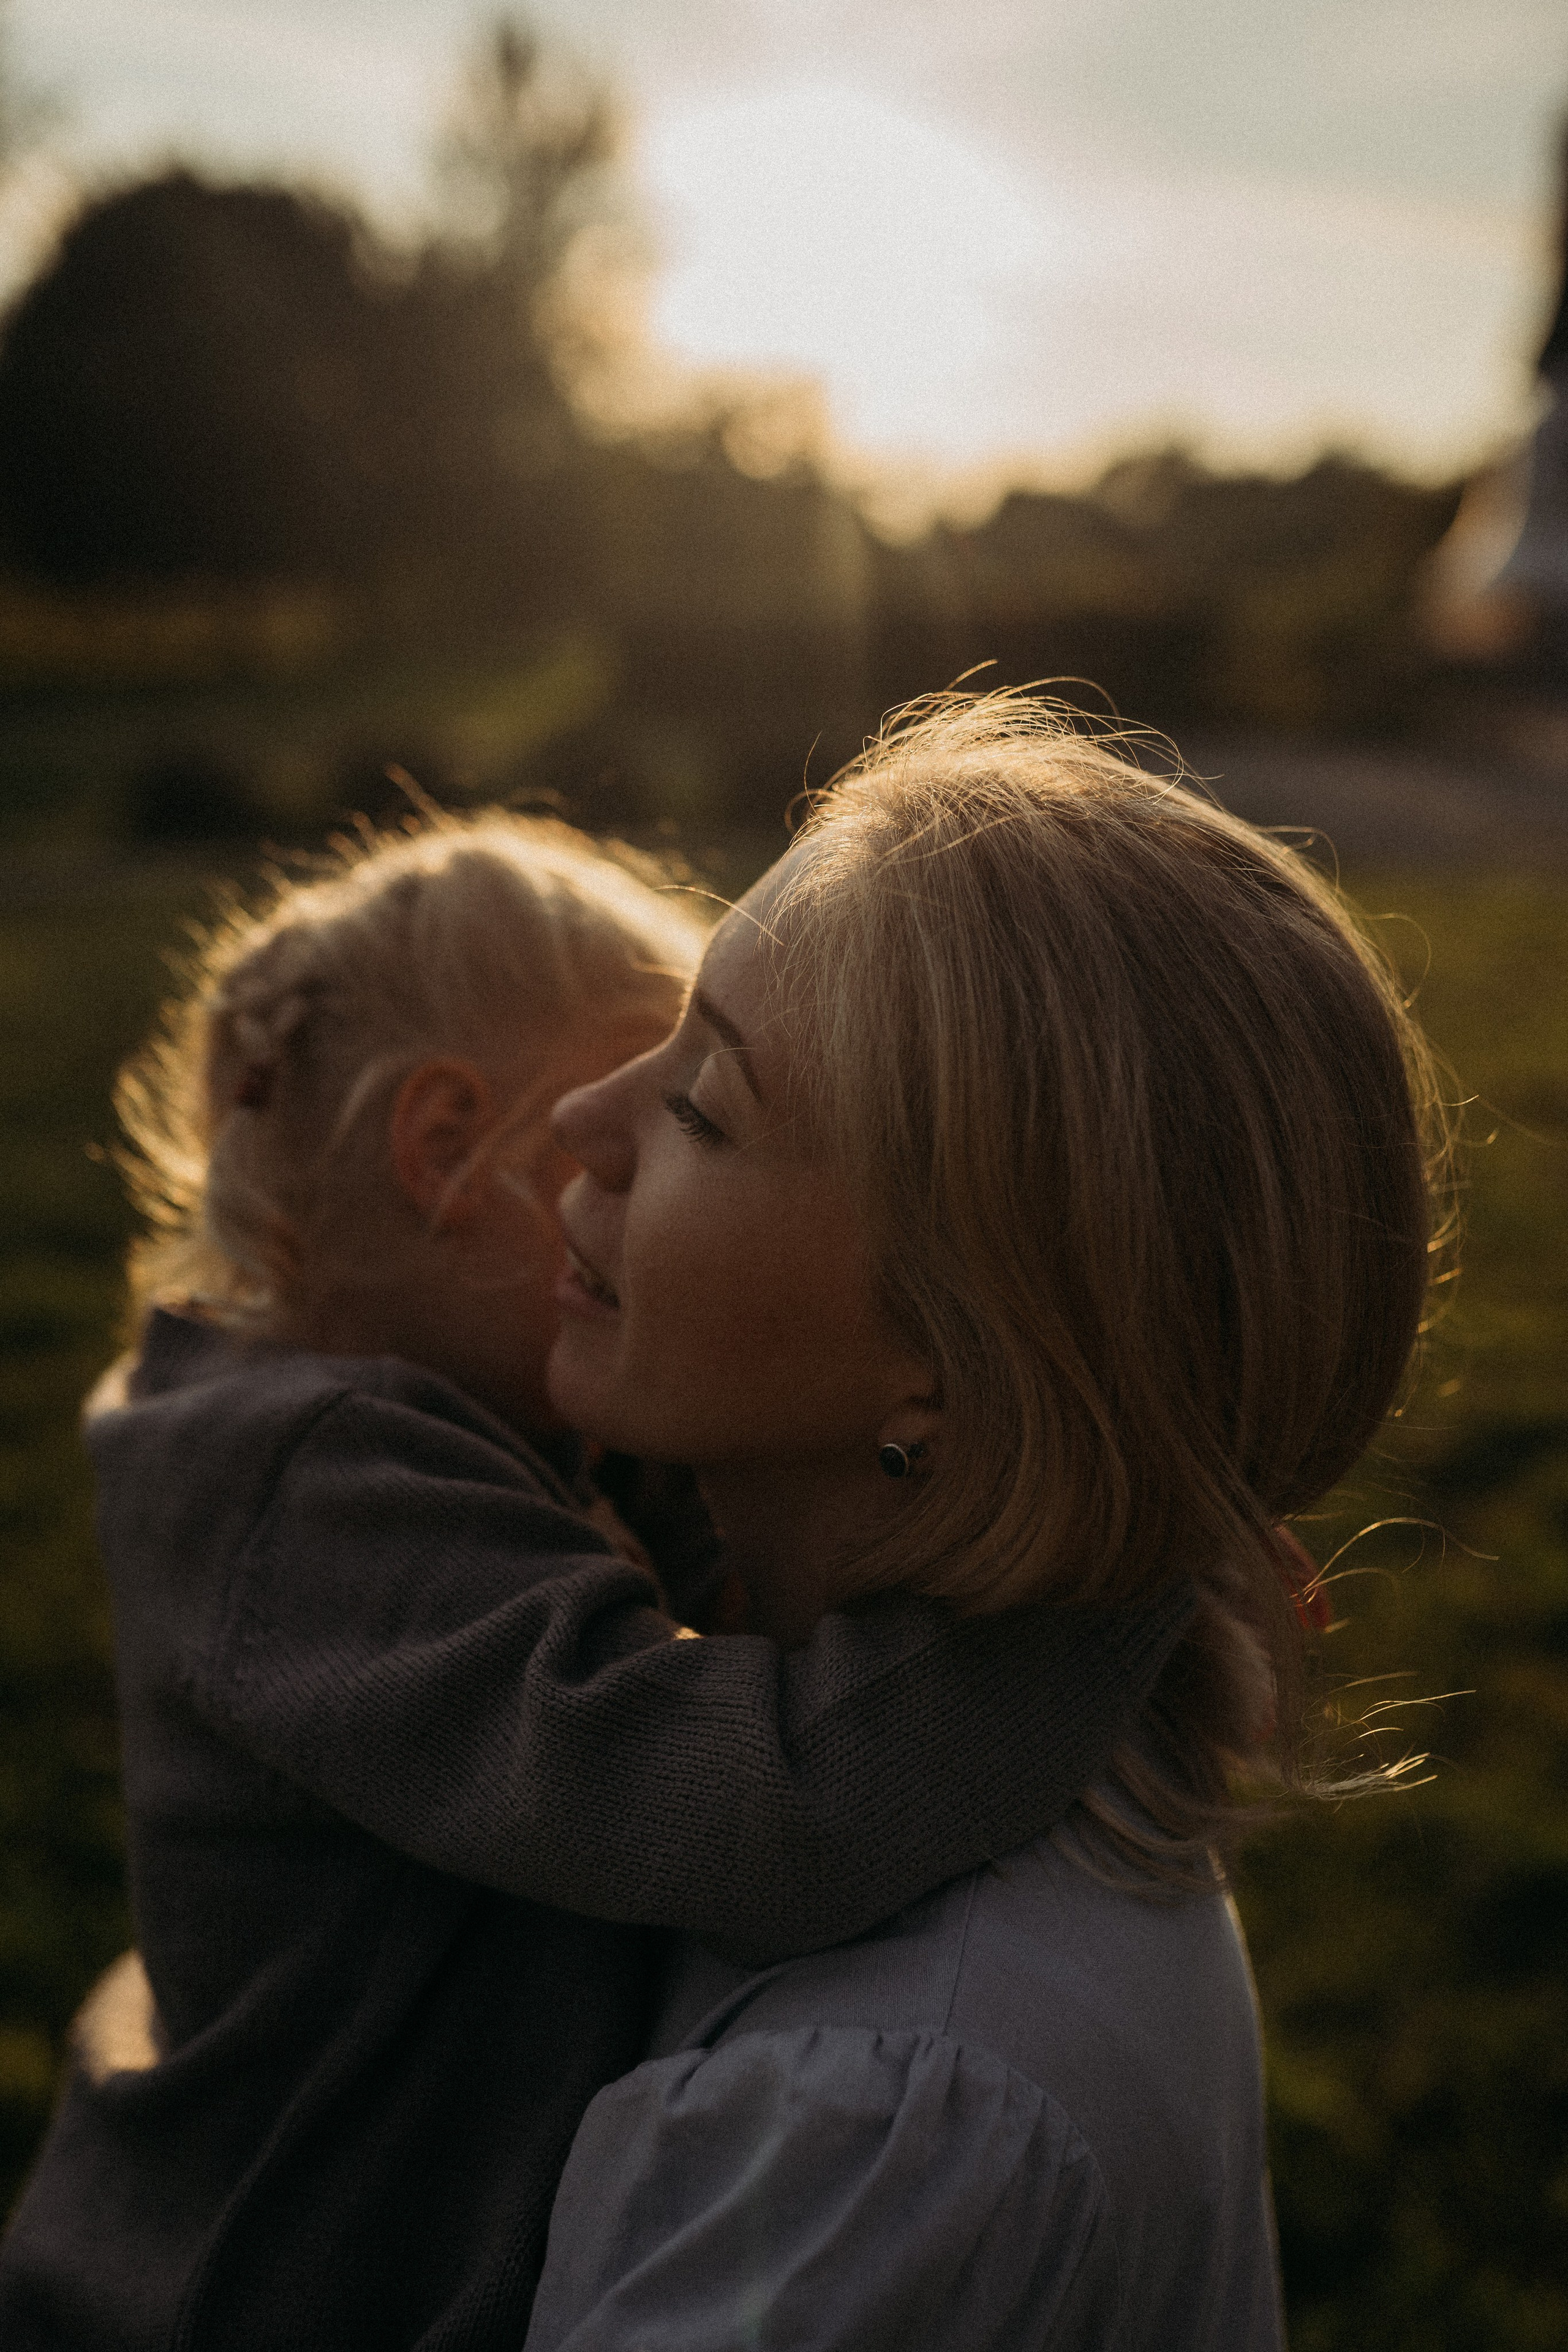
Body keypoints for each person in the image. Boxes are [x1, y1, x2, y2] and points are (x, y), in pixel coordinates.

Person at [0, 809, 1183, 2352]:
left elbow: (738, 1587)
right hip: (280, 2289)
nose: (621, 1160)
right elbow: (764, 1808)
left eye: (695, 1116)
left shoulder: (460, 1423)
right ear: (444, 1148)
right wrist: (1128, 1567)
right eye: (655, 1103)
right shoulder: (316, 1487)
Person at [520, 693, 1450, 2351]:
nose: (580, 1124)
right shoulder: (1038, 1751)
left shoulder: (876, 2129)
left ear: (957, 1359)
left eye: (704, 1109)